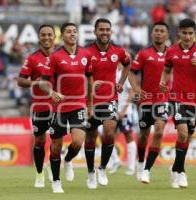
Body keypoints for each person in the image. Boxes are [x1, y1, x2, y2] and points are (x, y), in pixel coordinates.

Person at [159, 18, 196, 188]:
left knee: (186, 136)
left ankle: (175, 168)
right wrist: (163, 82)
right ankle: (181, 171)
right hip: (176, 98)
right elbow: (167, 69)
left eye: (191, 33)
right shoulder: (172, 51)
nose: (188, 36)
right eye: (185, 33)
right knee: (183, 134)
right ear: (179, 33)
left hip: (194, 100)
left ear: (194, 34)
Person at [39, 22, 92, 193]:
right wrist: (52, 92)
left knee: (77, 142)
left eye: (74, 31)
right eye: (68, 32)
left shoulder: (86, 54)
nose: (72, 34)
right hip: (59, 107)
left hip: (79, 104)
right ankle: (56, 181)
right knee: (56, 146)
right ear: (62, 36)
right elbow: (43, 83)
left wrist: (90, 104)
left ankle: (68, 161)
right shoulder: (54, 57)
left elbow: (90, 80)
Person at [84, 18, 131, 189]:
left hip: (110, 98)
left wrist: (121, 82)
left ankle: (102, 168)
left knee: (109, 132)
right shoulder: (86, 51)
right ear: (95, 32)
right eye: (101, 30)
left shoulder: (118, 51)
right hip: (89, 101)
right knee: (90, 136)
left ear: (111, 32)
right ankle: (90, 173)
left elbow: (128, 63)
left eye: (107, 30)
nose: (105, 33)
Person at [128, 22, 170, 184]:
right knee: (144, 135)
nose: (158, 33)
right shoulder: (144, 53)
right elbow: (132, 73)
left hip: (163, 99)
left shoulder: (172, 54)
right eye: (156, 31)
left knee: (159, 131)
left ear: (166, 35)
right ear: (152, 34)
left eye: (162, 31)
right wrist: (137, 89)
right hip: (146, 100)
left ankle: (146, 170)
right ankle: (140, 163)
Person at [17, 24, 55, 188]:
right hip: (40, 106)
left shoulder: (62, 56)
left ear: (55, 37)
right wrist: (35, 82)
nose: (46, 37)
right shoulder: (32, 58)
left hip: (60, 106)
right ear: (39, 37)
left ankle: (55, 171)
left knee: (59, 140)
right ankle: (39, 173)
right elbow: (20, 80)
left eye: (49, 34)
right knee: (40, 140)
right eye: (43, 35)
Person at [107, 64, 136, 176]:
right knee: (107, 135)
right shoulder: (109, 74)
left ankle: (131, 166)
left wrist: (123, 110)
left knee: (128, 135)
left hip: (125, 112)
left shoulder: (124, 74)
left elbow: (130, 93)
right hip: (112, 110)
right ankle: (115, 161)